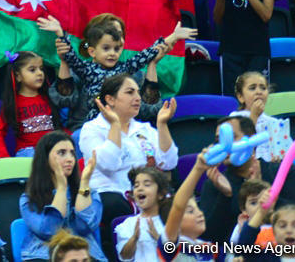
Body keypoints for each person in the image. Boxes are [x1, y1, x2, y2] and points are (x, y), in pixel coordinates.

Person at [80, 74, 177, 254]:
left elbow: (169, 163)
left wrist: (162, 125)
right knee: (115, 204)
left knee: (178, 202)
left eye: (138, 93)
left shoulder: (144, 129)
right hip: (111, 194)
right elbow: (108, 164)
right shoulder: (92, 129)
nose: (138, 98)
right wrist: (115, 126)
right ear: (110, 99)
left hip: (145, 191)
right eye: (130, 92)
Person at [40, 14, 189, 128]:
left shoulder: (126, 69)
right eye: (106, 48)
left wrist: (174, 36)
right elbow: (71, 57)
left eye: (116, 48)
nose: (112, 53)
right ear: (92, 51)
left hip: (123, 123)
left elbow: (149, 53)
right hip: (96, 124)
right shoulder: (87, 70)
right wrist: (60, 33)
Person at [199, 116, 295, 244]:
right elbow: (209, 237)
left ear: (252, 139)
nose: (224, 146)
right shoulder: (214, 183)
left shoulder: (283, 171)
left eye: (231, 137)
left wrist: (264, 192)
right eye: (218, 141)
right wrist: (226, 197)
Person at [19, 130, 104, 262]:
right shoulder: (29, 198)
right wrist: (61, 188)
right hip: (43, 255)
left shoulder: (89, 192)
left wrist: (84, 182)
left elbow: (84, 228)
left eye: (72, 153)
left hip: (83, 254)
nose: (70, 158)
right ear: (45, 158)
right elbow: (50, 231)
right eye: (61, 153)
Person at [0, 50, 62, 158]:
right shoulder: (13, 104)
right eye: (32, 70)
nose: (40, 73)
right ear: (18, 76)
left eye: (41, 68)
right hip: (28, 153)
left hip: (51, 149)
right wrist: (5, 159)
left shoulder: (49, 97)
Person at [159, 150, 216, 262]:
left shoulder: (209, 248)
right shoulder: (170, 247)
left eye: (198, 209)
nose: (199, 213)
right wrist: (198, 169)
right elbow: (178, 207)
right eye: (190, 211)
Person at [235, 191, 295, 262]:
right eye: (282, 226)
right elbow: (244, 248)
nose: (289, 230)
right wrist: (261, 212)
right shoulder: (265, 258)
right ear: (274, 233)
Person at [229, 71, 292, 163]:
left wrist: (280, 159)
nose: (259, 92)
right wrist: (254, 116)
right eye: (252, 88)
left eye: (263, 88)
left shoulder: (274, 122)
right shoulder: (234, 118)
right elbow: (239, 148)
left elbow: (287, 149)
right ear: (240, 97)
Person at [114, 166, 169, 262]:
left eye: (147, 185)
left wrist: (158, 239)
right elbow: (124, 257)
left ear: (160, 194)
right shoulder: (128, 224)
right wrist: (134, 238)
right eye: (136, 186)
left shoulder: (170, 222)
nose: (140, 189)